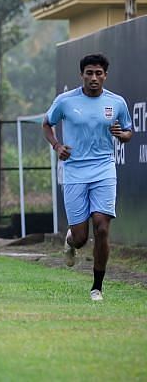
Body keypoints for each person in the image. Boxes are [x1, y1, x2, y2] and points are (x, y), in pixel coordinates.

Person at [42, 53, 132, 301]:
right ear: (81, 75)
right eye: (89, 73)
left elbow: (128, 132)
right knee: (82, 238)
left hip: (104, 168)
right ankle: (70, 241)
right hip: (74, 171)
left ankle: (97, 287)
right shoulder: (65, 101)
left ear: (105, 75)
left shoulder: (117, 102)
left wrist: (121, 135)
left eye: (98, 73)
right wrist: (57, 146)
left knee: (102, 227)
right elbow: (46, 124)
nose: (94, 77)